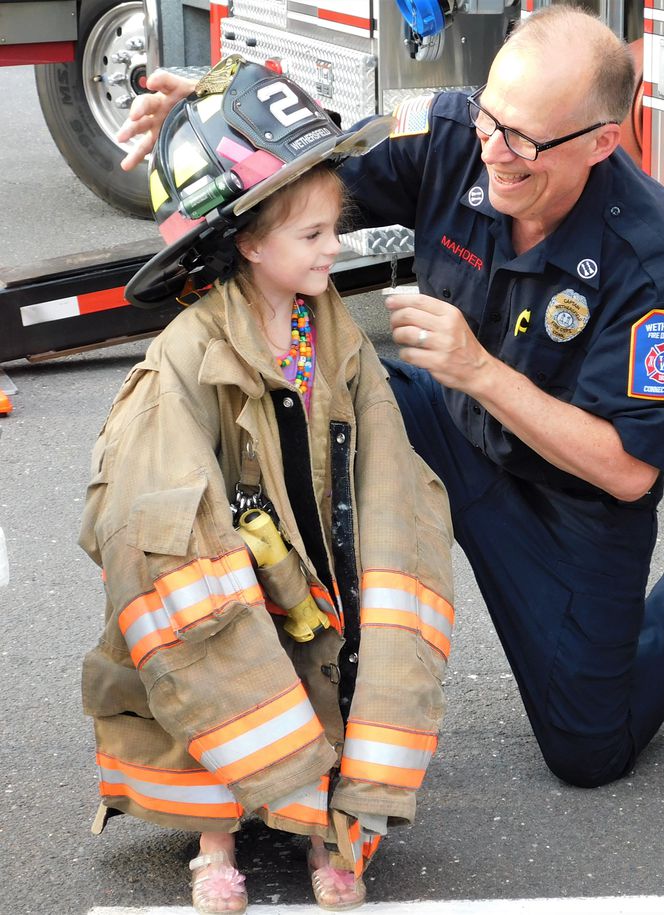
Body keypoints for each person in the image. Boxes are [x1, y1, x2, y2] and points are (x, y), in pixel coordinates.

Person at [116, 6, 664, 791]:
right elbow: (309, 169)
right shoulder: (456, 131)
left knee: (588, 750)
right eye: (492, 117)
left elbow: (629, 470)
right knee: (296, 392)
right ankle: (303, 681)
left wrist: (481, 370)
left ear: (602, 142)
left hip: (568, 499)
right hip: (446, 422)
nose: (494, 151)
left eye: (526, 138)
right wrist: (210, 122)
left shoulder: (655, 262)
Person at [81, 58, 454, 915]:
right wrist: (234, 573)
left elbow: (386, 470)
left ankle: (328, 833)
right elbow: (159, 506)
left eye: (336, 228)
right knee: (216, 664)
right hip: (228, 576)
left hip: (313, 579)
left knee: (325, 671)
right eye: (314, 235)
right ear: (249, 241)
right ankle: (215, 846)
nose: (337, 248)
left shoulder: (338, 338)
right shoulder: (183, 351)